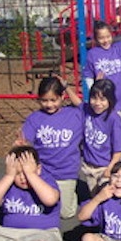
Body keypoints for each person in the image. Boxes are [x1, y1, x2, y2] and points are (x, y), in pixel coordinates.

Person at [19, 77, 82, 219]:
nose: (49, 104)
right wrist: (21, 144)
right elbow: (24, 140)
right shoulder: (35, 118)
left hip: (66, 171)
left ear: (62, 97)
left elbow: (84, 107)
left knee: (65, 213)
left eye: (53, 100)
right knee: (41, 208)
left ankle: (71, 195)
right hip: (44, 171)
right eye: (44, 100)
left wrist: (67, 87)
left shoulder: (74, 115)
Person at [60, 76, 121, 194]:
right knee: (94, 195)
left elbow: (118, 150)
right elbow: (78, 103)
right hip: (89, 166)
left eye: (103, 99)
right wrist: (66, 87)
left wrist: (110, 168)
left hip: (105, 167)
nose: (97, 103)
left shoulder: (114, 119)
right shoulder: (88, 110)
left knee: (105, 195)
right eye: (94, 98)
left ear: (110, 100)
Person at [83, 20, 121, 133]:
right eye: (101, 38)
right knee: (108, 128)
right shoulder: (92, 54)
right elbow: (88, 75)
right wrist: (94, 86)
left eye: (108, 36)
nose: (105, 40)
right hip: (105, 98)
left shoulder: (118, 48)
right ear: (95, 39)